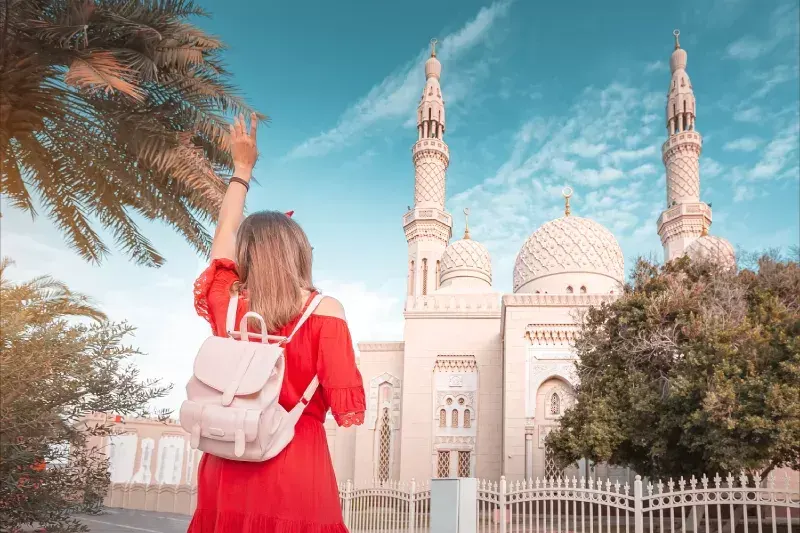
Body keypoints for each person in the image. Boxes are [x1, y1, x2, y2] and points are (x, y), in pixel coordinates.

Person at [188, 113, 365, 532]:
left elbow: (224, 232)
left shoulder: (227, 306)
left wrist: (242, 170)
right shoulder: (326, 313)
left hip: (229, 457)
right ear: (300, 252)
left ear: (246, 256)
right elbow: (347, 406)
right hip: (296, 466)